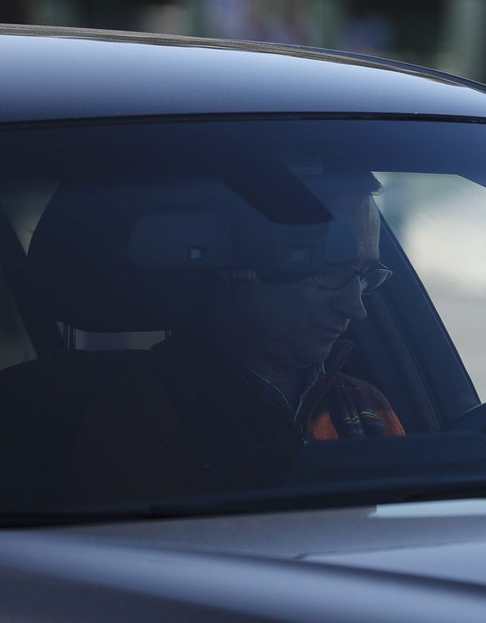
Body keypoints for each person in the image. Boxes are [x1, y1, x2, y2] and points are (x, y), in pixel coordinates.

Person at [70, 175, 404, 504]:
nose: (356, 307)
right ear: (238, 263)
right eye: (330, 269)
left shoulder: (366, 406)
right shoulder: (141, 419)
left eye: (365, 276)